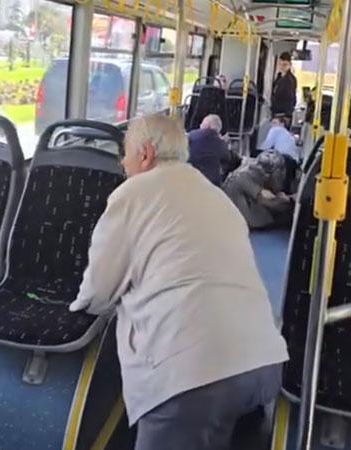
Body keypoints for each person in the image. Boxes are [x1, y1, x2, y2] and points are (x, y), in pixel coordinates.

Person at [69, 114, 288, 450]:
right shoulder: (216, 196)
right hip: (263, 364)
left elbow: (98, 292)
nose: (123, 164)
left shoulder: (133, 193)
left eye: (125, 154)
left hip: (193, 375)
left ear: (145, 154)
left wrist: (78, 305)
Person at [223, 151, 295, 230]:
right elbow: (267, 200)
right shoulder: (243, 177)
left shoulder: (247, 171)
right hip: (244, 221)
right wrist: (288, 201)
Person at [187, 114, 239, 186]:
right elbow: (229, 158)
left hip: (190, 179)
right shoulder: (219, 142)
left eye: (202, 123)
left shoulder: (191, 135)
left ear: (207, 125)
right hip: (211, 184)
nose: (200, 125)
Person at [259, 116, 299, 188]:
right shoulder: (289, 134)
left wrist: (257, 150)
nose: (272, 125)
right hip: (294, 161)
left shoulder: (276, 129)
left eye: (274, 123)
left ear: (282, 124)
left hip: (284, 159)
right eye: (271, 123)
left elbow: (266, 145)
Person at [271, 52, 297, 120]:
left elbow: (291, 99)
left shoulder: (290, 80)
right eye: (280, 64)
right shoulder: (279, 77)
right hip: (276, 112)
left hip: (282, 115)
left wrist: (286, 116)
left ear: (290, 65)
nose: (282, 67)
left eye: (285, 64)